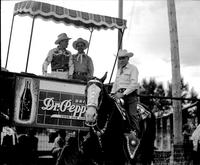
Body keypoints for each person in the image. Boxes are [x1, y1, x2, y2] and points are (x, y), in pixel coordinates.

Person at [111, 49, 140, 153]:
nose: (121, 60)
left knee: (132, 114)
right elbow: (115, 83)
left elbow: (134, 84)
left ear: (128, 58)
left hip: (130, 95)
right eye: (119, 58)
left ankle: (136, 134)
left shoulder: (133, 69)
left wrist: (123, 94)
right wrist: (112, 93)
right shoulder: (119, 70)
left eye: (123, 58)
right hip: (118, 95)